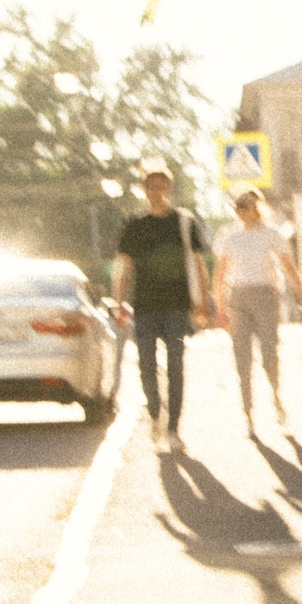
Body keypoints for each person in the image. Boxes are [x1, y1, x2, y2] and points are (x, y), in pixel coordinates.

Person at [112, 164, 210, 454]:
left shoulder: (183, 222)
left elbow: (198, 264)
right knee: (146, 366)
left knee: (176, 367)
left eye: (160, 186)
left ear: (168, 188)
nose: (156, 192)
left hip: (177, 306)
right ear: (144, 190)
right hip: (144, 307)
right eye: (150, 186)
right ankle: (155, 414)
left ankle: (173, 430)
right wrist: (119, 303)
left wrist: (203, 302)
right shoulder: (135, 225)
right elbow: (124, 267)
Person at [210, 187, 302, 431]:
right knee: (242, 356)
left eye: (245, 205)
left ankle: (276, 396)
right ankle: (248, 412)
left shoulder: (271, 234)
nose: (240, 211)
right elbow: (220, 273)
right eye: (237, 206)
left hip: (265, 295)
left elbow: (288, 268)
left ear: (256, 207)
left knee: (269, 353)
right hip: (238, 298)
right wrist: (220, 307)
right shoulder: (229, 236)